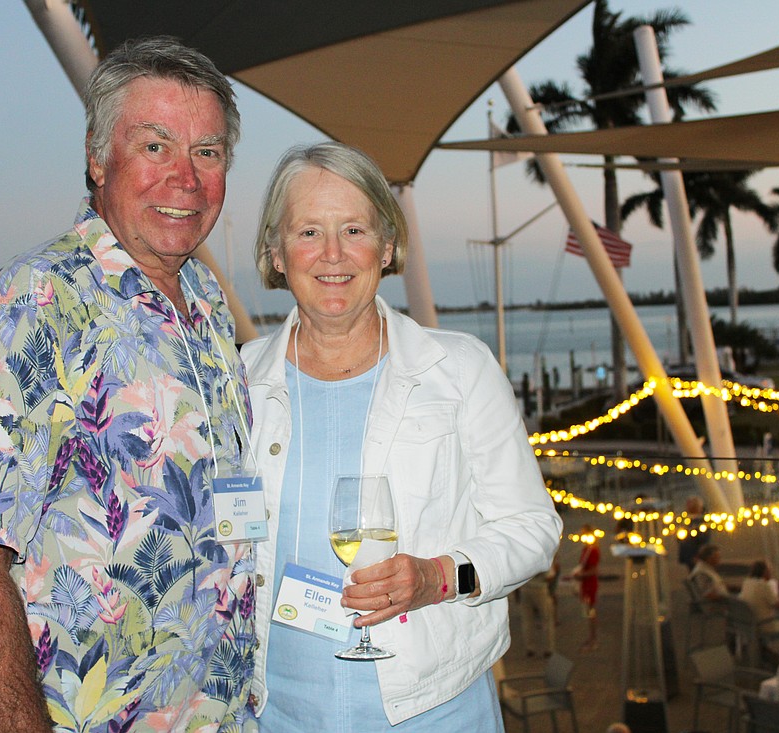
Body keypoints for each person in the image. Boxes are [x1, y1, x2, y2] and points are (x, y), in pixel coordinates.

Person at [0, 38, 256, 732]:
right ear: (96, 156)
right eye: (155, 146)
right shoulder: (37, 301)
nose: (186, 177)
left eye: (207, 152)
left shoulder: (203, 301)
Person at [240, 141, 562, 730]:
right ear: (276, 252)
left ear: (387, 247)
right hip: (278, 715)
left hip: (435, 714)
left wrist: (437, 578)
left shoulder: (459, 369)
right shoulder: (236, 382)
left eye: (355, 229)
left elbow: (533, 528)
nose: (333, 254)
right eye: (308, 231)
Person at [572, 524, 601, 651]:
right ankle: (591, 637)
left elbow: (594, 570)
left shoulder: (593, 550)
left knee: (590, 612)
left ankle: (593, 639)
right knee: (587, 612)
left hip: (589, 584)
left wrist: (579, 575)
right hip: (585, 584)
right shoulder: (587, 549)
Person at [677, 495, 711, 571]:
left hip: (696, 554)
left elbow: (704, 539)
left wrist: (699, 555)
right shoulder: (686, 520)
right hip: (689, 553)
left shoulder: (701, 521)